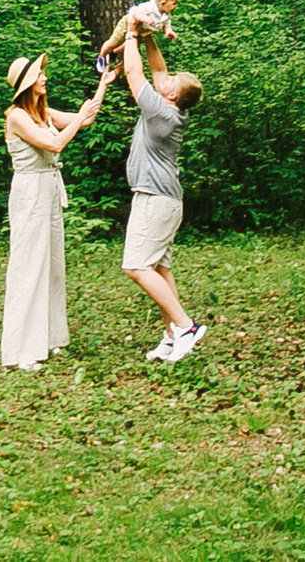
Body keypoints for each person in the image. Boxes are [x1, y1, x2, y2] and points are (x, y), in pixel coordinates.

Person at [0, 51, 115, 371]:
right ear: (26, 85)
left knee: (52, 265)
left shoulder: (43, 112)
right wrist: (78, 118)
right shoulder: (16, 117)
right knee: (29, 267)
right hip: (29, 194)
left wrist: (103, 84)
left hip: (49, 190)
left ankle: (49, 338)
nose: (44, 78)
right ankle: (20, 352)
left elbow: (86, 117)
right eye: (39, 75)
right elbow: (54, 145)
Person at [118, 27, 206, 362]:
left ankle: (186, 326)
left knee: (136, 266)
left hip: (155, 199)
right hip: (165, 200)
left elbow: (133, 71)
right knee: (160, 269)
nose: (166, 79)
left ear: (171, 95)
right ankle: (171, 336)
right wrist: (148, 37)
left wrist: (129, 33)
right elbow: (158, 71)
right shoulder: (172, 105)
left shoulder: (160, 112)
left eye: (172, 81)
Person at [94, 0, 183, 74]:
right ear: (163, 3)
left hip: (141, 32)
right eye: (173, 3)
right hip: (128, 25)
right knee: (113, 42)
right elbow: (133, 11)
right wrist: (143, 18)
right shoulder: (149, 8)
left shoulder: (166, 14)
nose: (175, 6)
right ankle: (102, 56)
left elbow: (167, 24)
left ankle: (114, 53)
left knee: (129, 46)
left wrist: (168, 31)